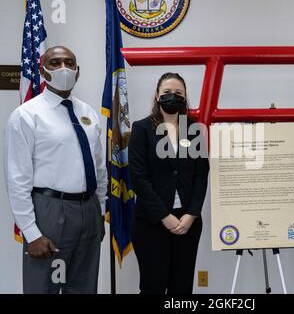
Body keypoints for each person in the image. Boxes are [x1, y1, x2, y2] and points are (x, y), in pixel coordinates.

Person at [4, 46, 107, 294]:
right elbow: (17, 180)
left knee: (83, 288)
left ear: (77, 71)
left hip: (88, 211)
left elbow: (99, 167)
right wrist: (31, 232)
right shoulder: (26, 115)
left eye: (69, 63)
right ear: (42, 71)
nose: (63, 68)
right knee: (44, 288)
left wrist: (99, 211)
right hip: (49, 212)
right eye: (55, 62)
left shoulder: (87, 112)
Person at [128, 72, 209, 294]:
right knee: (152, 286)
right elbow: (138, 177)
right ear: (157, 96)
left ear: (185, 97)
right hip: (151, 223)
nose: (172, 97)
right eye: (166, 93)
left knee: (181, 289)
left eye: (178, 93)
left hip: (187, 223)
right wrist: (164, 216)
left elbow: (202, 175)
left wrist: (192, 213)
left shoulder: (193, 130)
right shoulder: (141, 128)